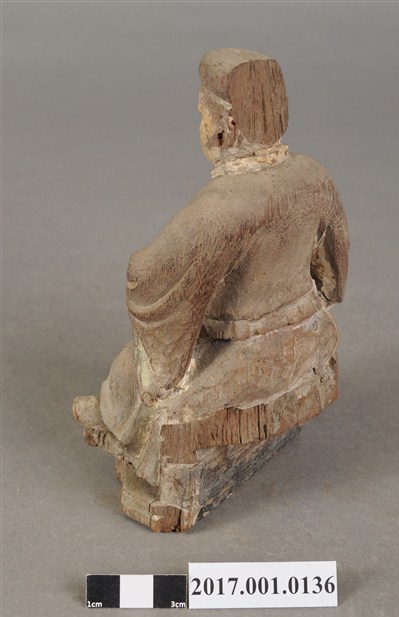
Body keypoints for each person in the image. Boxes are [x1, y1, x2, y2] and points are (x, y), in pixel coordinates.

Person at [74, 48, 349, 508]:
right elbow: (334, 271)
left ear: (227, 126)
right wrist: (308, 300)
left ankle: (137, 450)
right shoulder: (314, 176)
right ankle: (116, 412)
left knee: (137, 371)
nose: (201, 125)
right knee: (140, 368)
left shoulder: (223, 205)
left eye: (203, 114)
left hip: (243, 351)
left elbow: (146, 272)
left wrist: (168, 354)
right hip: (309, 331)